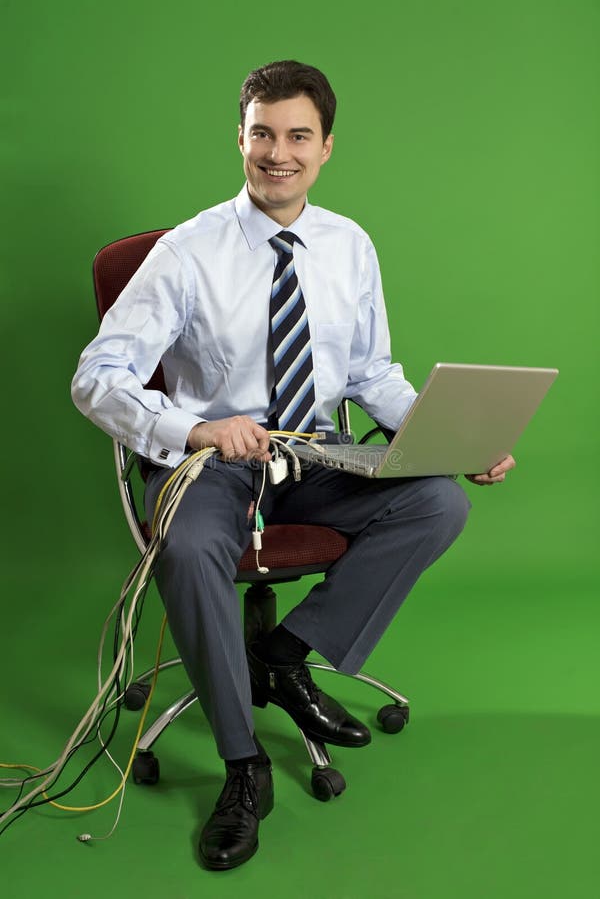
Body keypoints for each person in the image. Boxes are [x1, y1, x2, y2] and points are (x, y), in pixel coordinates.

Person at [71, 60, 515, 870]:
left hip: (313, 453)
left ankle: (284, 658)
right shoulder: (187, 251)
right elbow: (96, 378)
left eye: (297, 136)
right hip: (215, 462)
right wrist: (195, 431)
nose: (279, 153)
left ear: (326, 147)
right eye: (263, 135)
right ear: (240, 140)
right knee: (191, 546)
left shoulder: (349, 245)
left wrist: (452, 437)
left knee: (436, 504)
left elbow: (372, 373)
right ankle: (243, 767)